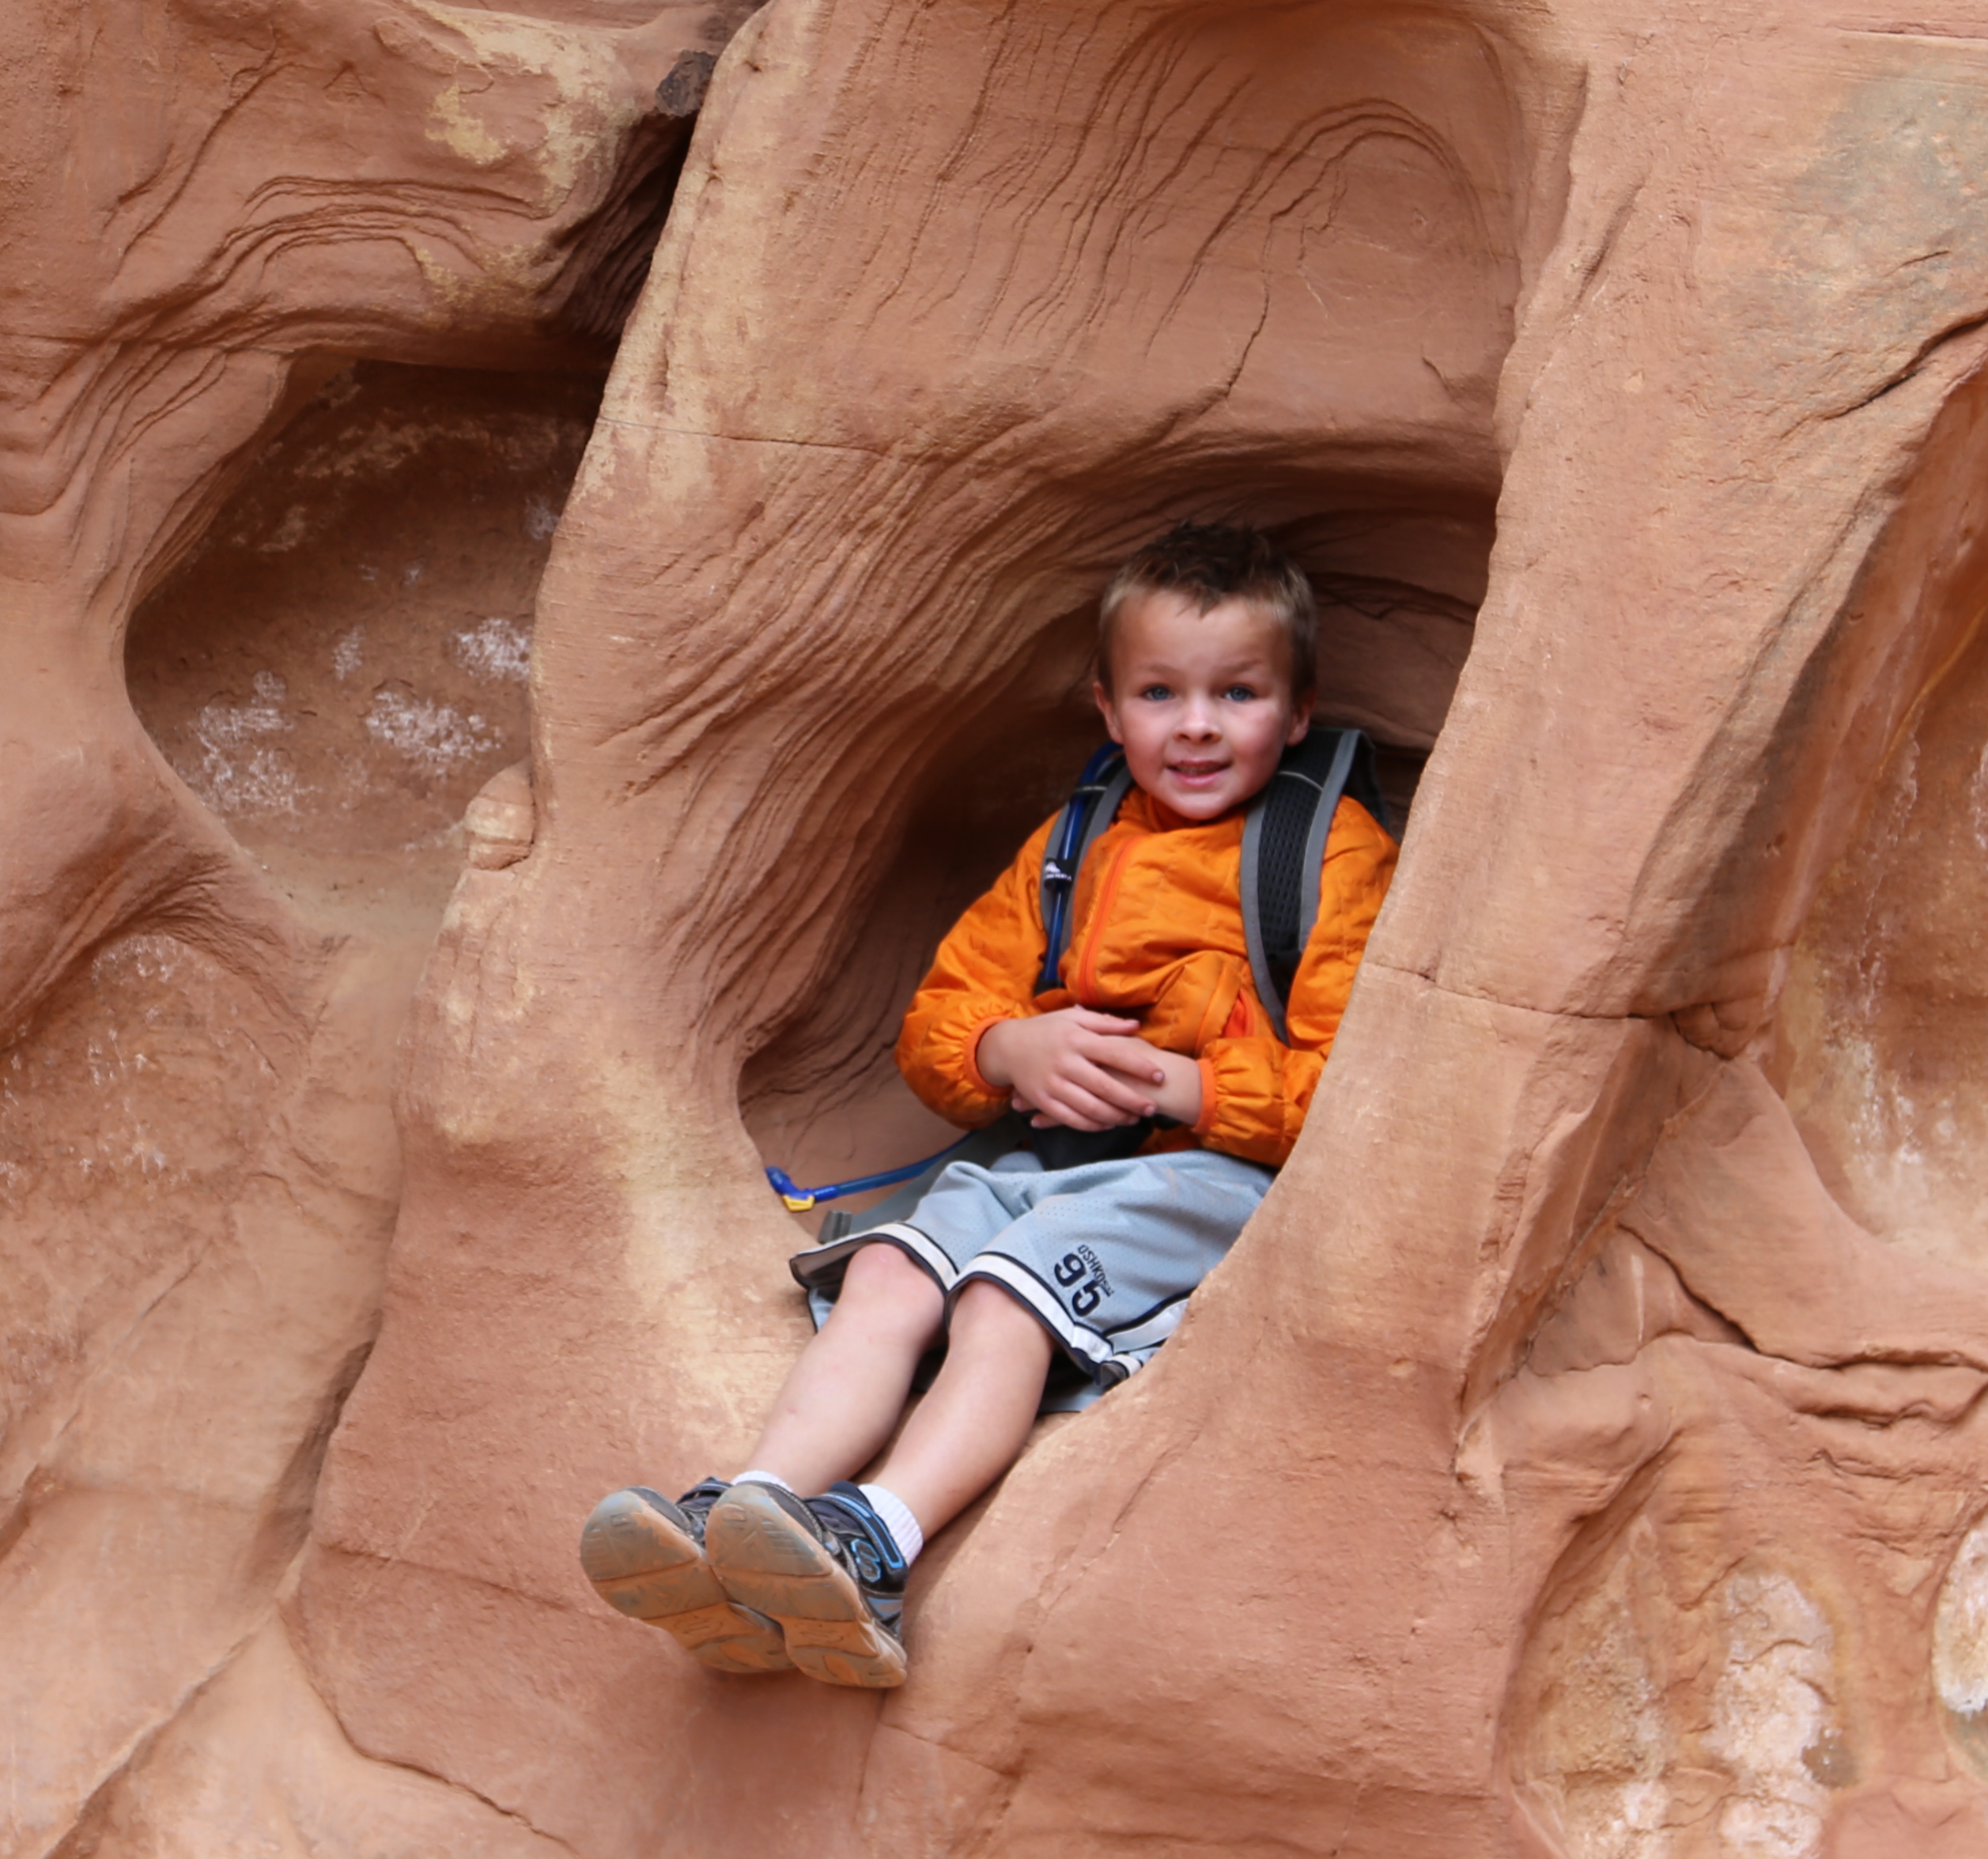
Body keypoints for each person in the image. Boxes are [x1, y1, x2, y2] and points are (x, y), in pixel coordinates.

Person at [579, 520, 1397, 1691]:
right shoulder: (1072, 845)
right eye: (1161, 693)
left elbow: (1353, 1085)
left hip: (1204, 1173)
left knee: (1007, 1297)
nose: (1198, 725)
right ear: (1109, 711)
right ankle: (751, 1507)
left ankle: (876, 1542)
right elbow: (941, 1021)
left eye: (1239, 693)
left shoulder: (1329, 853)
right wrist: (1011, 1048)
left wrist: (1191, 1083)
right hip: (1044, 1152)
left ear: (1298, 710)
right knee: (890, 1269)